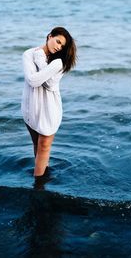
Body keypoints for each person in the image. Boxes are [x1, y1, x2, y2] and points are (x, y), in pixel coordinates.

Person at [21, 27, 77, 178]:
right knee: (37, 146)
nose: (58, 47)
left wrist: (39, 58)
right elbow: (32, 81)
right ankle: (42, 173)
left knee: (44, 146)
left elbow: (49, 84)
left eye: (62, 46)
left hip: (50, 108)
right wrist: (39, 58)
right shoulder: (28, 54)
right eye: (58, 41)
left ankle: (38, 185)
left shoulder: (58, 62)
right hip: (31, 106)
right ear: (49, 36)